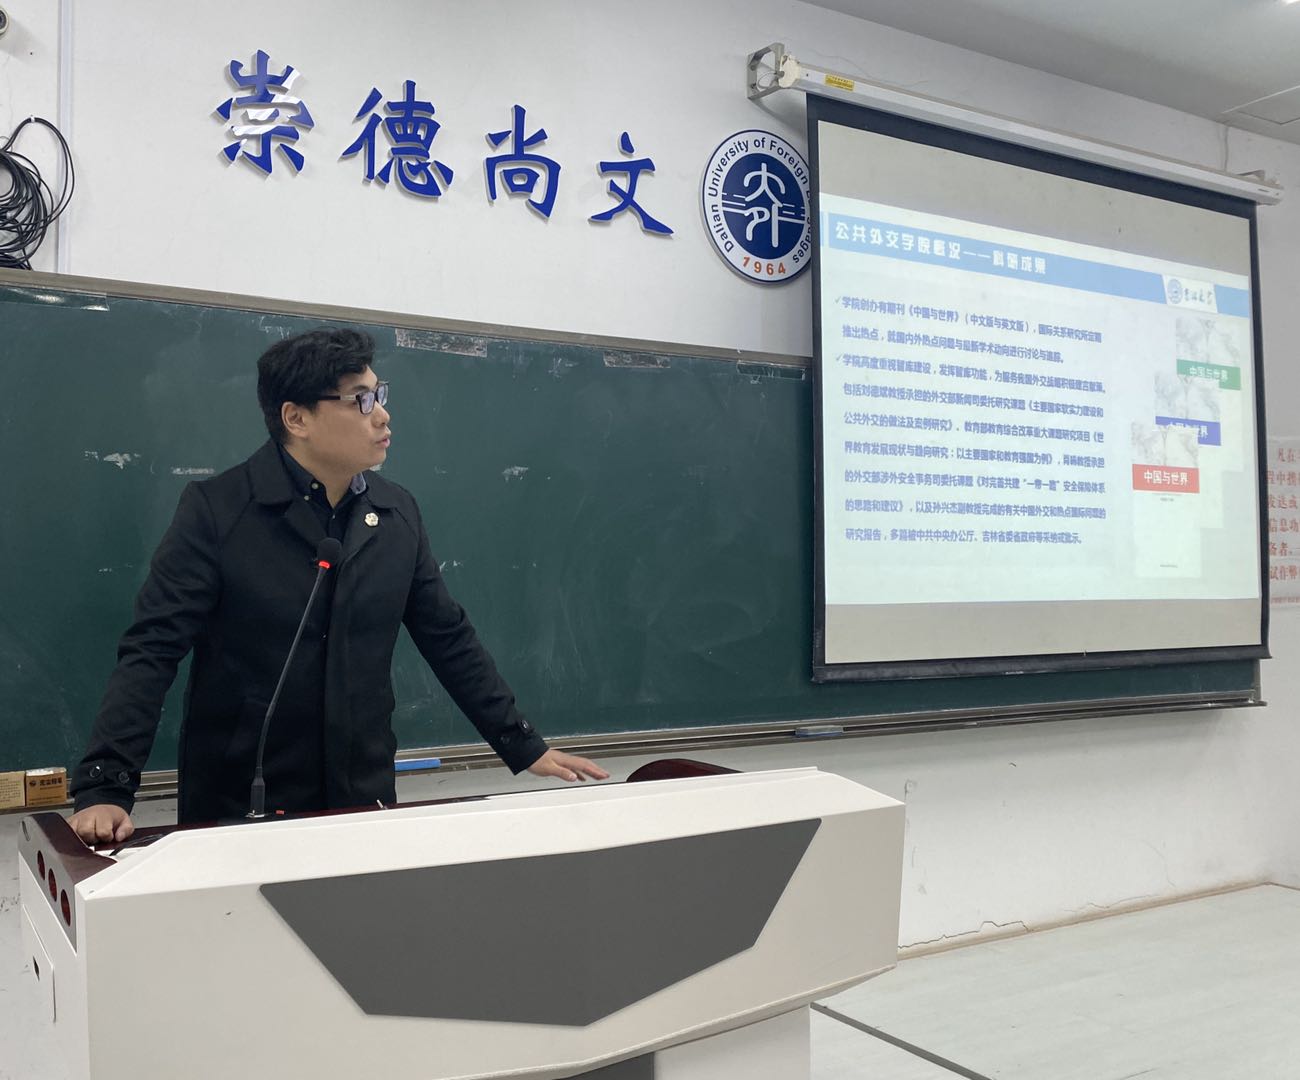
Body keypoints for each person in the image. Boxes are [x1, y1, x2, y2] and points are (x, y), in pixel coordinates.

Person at [69, 327, 607, 844]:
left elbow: (447, 636)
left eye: (379, 395)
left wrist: (521, 743)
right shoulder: (219, 512)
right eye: (360, 400)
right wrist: (105, 787)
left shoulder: (395, 513)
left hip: (362, 794)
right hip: (241, 799)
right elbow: (153, 649)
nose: (383, 415)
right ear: (297, 418)